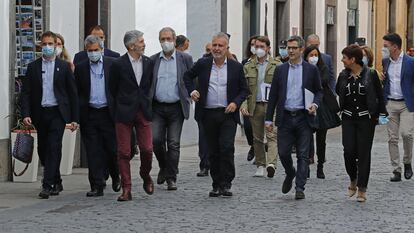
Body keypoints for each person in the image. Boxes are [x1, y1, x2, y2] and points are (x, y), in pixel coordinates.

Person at [183, 32, 248, 197]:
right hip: (208, 113)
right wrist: (192, 91)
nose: (217, 49)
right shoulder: (203, 64)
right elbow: (187, 76)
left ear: (227, 48)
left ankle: (226, 182)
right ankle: (216, 183)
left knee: (226, 147)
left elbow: (244, 90)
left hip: (227, 114)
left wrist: (235, 102)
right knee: (213, 150)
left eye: (220, 46)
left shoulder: (236, 67)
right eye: (215, 45)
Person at [21, 31, 79, 199]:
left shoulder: (64, 67)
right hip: (40, 113)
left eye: (50, 44)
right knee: (43, 149)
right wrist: (26, 114)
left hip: (57, 114)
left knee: (54, 147)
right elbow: (26, 93)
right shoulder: (33, 67)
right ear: (41, 46)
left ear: (56, 45)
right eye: (44, 44)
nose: (47, 47)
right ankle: (57, 179)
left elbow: (72, 93)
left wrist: (74, 118)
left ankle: (47, 185)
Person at [265, 35, 322, 200]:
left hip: (304, 117)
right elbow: (274, 95)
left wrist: (315, 105)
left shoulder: (311, 70)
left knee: (303, 154)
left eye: (294, 48)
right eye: (288, 48)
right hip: (286, 117)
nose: (290, 51)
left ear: (301, 50)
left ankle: (299, 187)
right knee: (283, 152)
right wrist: (269, 119)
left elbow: (319, 91)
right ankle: (290, 173)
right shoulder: (281, 70)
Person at [336, 44, 387, 202]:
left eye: (344, 57)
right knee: (349, 151)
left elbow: (379, 94)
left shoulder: (371, 74)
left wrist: (382, 113)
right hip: (348, 118)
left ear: (353, 59)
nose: (342, 60)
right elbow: (338, 91)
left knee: (364, 154)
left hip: (366, 119)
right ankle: (353, 178)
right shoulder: (343, 75)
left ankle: (362, 189)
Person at [108, 30, 154, 201]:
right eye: (141, 41)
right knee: (124, 152)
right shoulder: (118, 64)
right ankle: (126, 188)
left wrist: (148, 103)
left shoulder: (149, 62)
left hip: (143, 111)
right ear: (131, 45)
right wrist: (117, 110)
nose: (144, 44)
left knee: (147, 149)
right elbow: (112, 89)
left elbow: (148, 85)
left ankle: (145, 174)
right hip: (123, 111)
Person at [74, 35, 120, 197]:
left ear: (102, 49)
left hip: (108, 113)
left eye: (95, 50)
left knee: (112, 150)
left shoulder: (112, 64)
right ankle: (96, 184)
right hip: (90, 114)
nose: (93, 53)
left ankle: (116, 175)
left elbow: (118, 88)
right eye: (90, 51)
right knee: (93, 151)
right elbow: (77, 92)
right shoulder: (80, 68)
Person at [149, 27, 193, 190]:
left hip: (176, 106)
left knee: (173, 143)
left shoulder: (185, 59)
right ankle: (164, 166)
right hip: (157, 107)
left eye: (168, 39)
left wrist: (191, 94)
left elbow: (190, 79)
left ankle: (171, 177)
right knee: (156, 140)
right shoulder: (153, 60)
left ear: (175, 40)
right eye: (162, 39)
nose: (166, 42)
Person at [240, 36, 281, 178]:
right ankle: (260, 165)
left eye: (262, 47)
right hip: (255, 105)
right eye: (257, 46)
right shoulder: (248, 66)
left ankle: (271, 164)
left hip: (272, 105)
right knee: (257, 137)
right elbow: (244, 89)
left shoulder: (277, 65)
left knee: (272, 135)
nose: (259, 49)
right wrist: (244, 104)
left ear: (268, 48)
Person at [304, 45, 341, 179]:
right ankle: (306, 164)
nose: (313, 58)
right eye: (311, 55)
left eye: (316, 55)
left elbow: (323, 81)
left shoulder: (322, 68)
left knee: (321, 138)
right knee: (306, 137)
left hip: (322, 105)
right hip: (306, 103)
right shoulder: (302, 68)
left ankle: (320, 166)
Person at [382, 33, 414, 182]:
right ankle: (396, 170)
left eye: (386, 46)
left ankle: (407, 162)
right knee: (392, 138)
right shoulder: (385, 61)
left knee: (407, 134)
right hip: (390, 103)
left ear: (395, 47)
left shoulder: (410, 62)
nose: (384, 49)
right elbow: (387, 82)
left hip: (406, 104)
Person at [241, 35, 258, 162]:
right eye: (252, 44)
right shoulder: (245, 63)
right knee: (248, 127)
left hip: (262, 100)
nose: (254, 47)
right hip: (248, 99)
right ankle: (253, 145)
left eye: (256, 45)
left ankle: (260, 151)